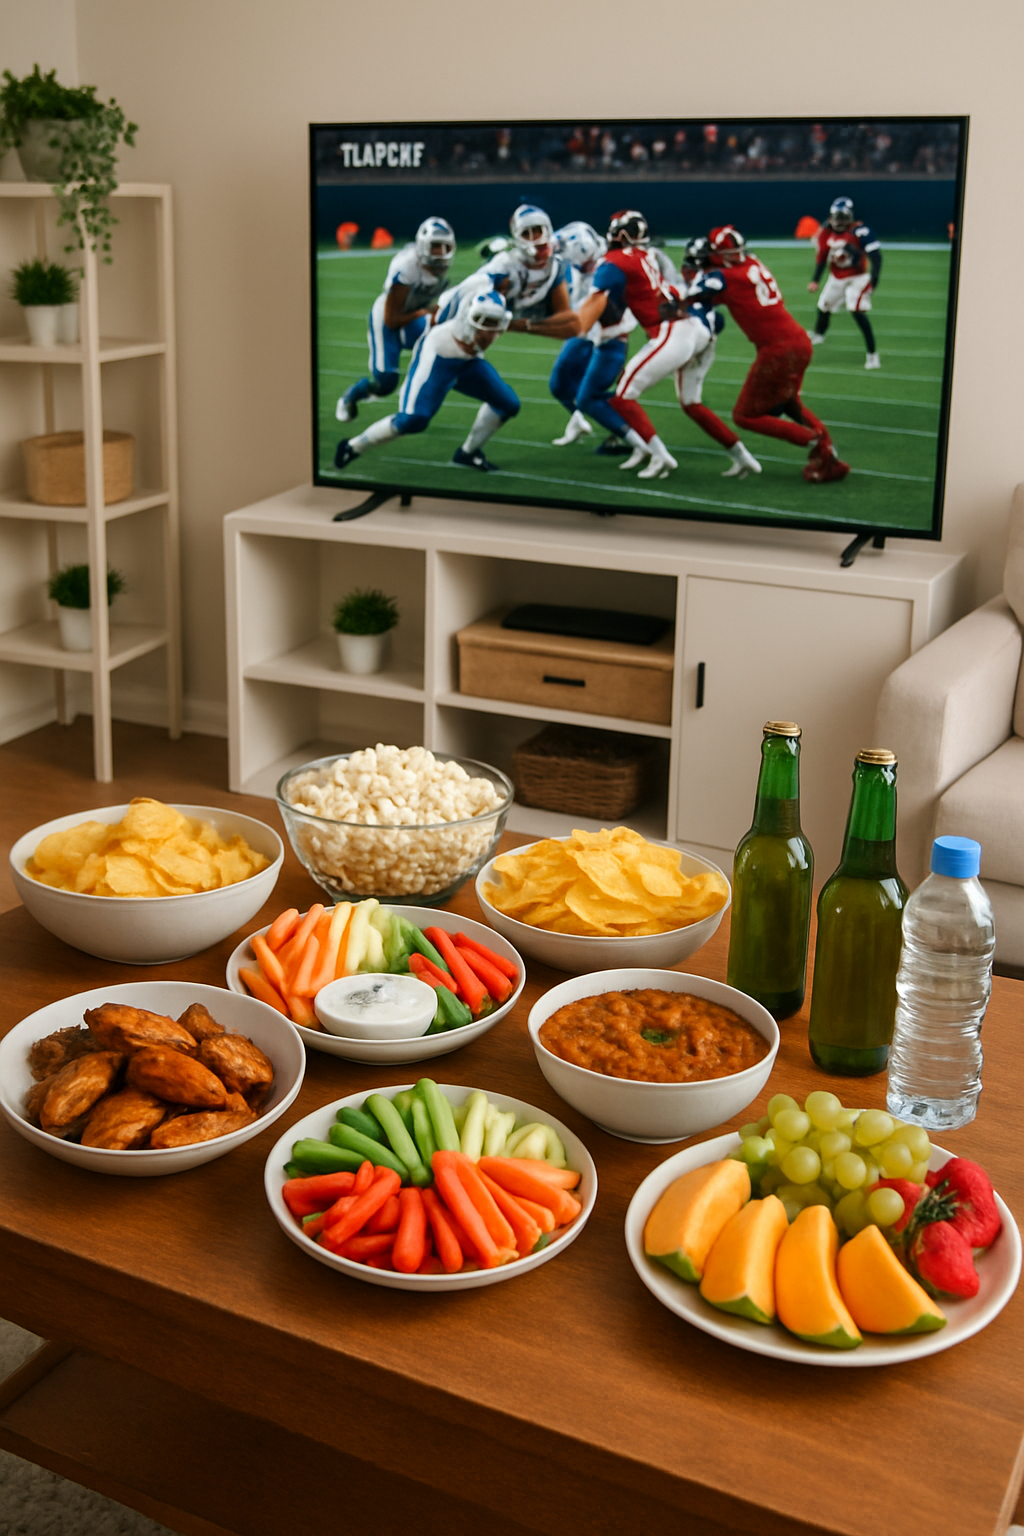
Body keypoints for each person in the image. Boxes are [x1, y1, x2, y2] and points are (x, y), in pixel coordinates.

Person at [684, 225, 849, 483]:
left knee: (744, 416)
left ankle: (816, 443)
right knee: (790, 403)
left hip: (778, 350)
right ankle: (829, 454)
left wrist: (696, 269)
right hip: (798, 341)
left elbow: (691, 296)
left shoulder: (722, 277)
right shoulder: (752, 262)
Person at [569, 210, 715, 479]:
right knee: (620, 390)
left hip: (663, 334)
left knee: (622, 395)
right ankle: (643, 447)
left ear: (620, 235)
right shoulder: (647, 255)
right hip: (679, 328)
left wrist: (573, 325)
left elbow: (596, 300)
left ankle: (657, 454)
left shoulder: (613, 262)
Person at [333, 289, 519, 474]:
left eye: (495, 323)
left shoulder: (478, 317)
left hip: (468, 362)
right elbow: (445, 306)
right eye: (486, 323)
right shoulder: (458, 321)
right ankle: (353, 447)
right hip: (439, 358)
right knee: (412, 420)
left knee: (507, 403)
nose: (491, 332)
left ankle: (467, 454)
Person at [334, 217, 456, 424]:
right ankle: (352, 395)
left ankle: (418, 390)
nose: (441, 253)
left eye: (446, 247)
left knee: (437, 344)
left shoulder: (431, 264)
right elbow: (392, 320)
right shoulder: (407, 268)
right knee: (385, 383)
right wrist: (424, 313)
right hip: (387, 317)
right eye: (436, 246)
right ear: (423, 246)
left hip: (413, 313)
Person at [670, 237, 761, 480]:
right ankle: (742, 456)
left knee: (627, 389)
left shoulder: (712, 278)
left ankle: (645, 448)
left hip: (691, 340)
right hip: (703, 340)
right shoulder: (708, 278)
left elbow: (710, 298)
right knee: (691, 403)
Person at [547, 220, 637, 449]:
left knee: (590, 393)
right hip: (584, 327)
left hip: (604, 333)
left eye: (586, 263)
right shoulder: (572, 242)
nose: (583, 268)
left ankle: (628, 433)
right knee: (560, 385)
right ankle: (580, 421)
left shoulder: (609, 266)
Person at [807, 197, 883, 369]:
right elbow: (822, 258)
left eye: (843, 218)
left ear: (850, 217)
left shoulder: (859, 231)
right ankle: (819, 334)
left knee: (856, 310)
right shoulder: (826, 233)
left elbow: (876, 256)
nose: (839, 222)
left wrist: (874, 280)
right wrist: (815, 280)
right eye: (837, 217)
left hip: (858, 277)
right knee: (824, 306)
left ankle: (872, 355)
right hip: (836, 277)